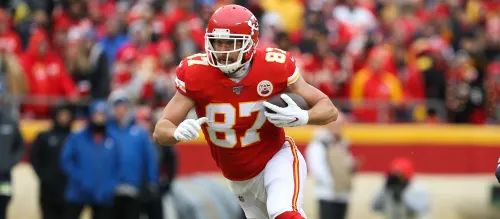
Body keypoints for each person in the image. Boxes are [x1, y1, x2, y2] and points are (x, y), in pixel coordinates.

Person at [153, 5, 338, 219]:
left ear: (251, 43)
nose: (222, 51)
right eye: (217, 42)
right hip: (239, 180)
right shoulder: (196, 74)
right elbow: (160, 130)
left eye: (230, 43)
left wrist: (305, 117)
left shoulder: (274, 67)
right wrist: (176, 133)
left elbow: (329, 109)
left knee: (283, 212)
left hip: (276, 159)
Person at [60, 101, 118, 219]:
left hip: (102, 195)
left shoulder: (112, 139)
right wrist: (81, 178)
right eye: (96, 114)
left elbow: (118, 165)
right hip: (77, 192)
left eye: (102, 114)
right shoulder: (77, 137)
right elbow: (66, 161)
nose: (99, 118)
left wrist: (110, 185)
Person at [107, 92, 159, 219]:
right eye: (117, 108)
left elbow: (150, 158)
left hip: (133, 188)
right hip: (110, 189)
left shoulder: (140, 133)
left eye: (123, 107)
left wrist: (152, 181)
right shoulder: (107, 131)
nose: (120, 111)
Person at [306, 113, 356, 219]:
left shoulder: (342, 143)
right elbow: (317, 168)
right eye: (335, 124)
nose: (338, 127)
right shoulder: (320, 143)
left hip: (343, 193)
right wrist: (332, 184)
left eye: (340, 124)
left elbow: (347, 164)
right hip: (327, 194)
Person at [30, 103, 75, 219]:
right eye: (61, 114)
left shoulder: (76, 138)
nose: (64, 118)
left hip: (70, 191)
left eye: (67, 115)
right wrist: (44, 176)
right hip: (48, 190)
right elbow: (34, 158)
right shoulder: (44, 137)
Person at [0, 105, 24, 219]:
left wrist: (10, 162)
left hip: (4, 176)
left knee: (4, 203)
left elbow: (20, 147)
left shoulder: (10, 123)